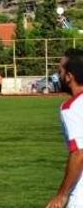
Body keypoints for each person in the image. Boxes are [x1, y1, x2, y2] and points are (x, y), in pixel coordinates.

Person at [47, 49, 83, 208]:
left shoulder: (71, 108)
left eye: (60, 71)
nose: (58, 76)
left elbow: (79, 152)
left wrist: (61, 196)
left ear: (69, 76)